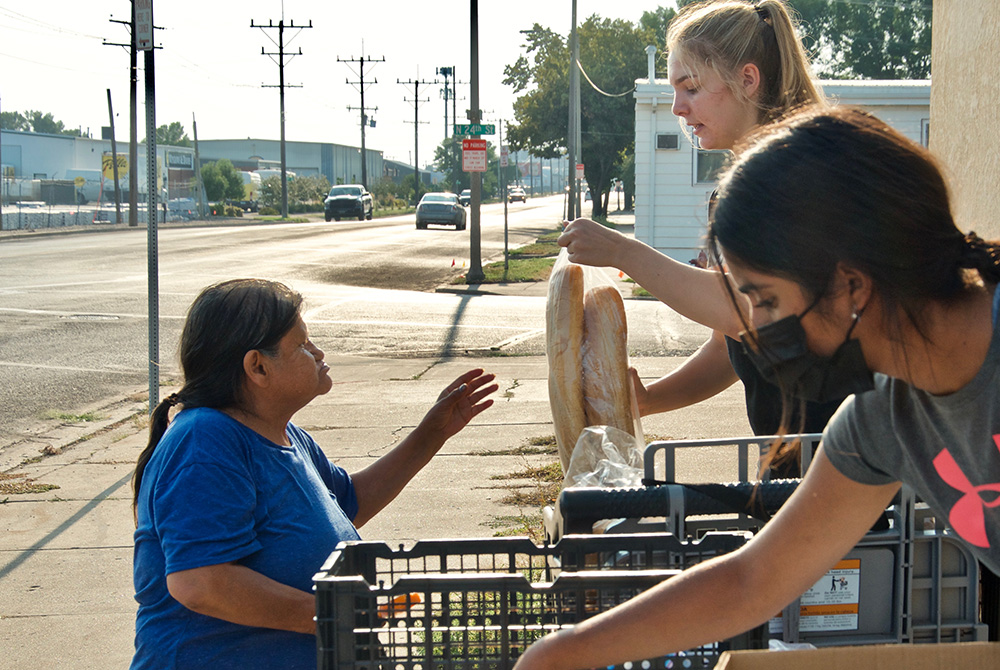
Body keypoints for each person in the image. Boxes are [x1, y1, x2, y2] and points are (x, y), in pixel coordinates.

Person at [513, 106, 1000, 670]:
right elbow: (753, 579)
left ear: (851, 285)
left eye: (764, 301)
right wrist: (563, 652)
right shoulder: (881, 423)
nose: (753, 331)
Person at [129, 278, 498, 670]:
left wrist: (432, 433)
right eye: (302, 345)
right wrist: (340, 615)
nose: (318, 352)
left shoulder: (286, 435)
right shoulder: (205, 440)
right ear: (258, 366)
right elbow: (202, 583)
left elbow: (349, 503)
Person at [559, 0, 842, 464]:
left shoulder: (798, 176)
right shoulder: (739, 189)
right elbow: (728, 345)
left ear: (747, 80)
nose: (677, 107)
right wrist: (648, 400)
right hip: (792, 464)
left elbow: (751, 311)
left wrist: (623, 252)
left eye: (690, 87)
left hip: (852, 466)